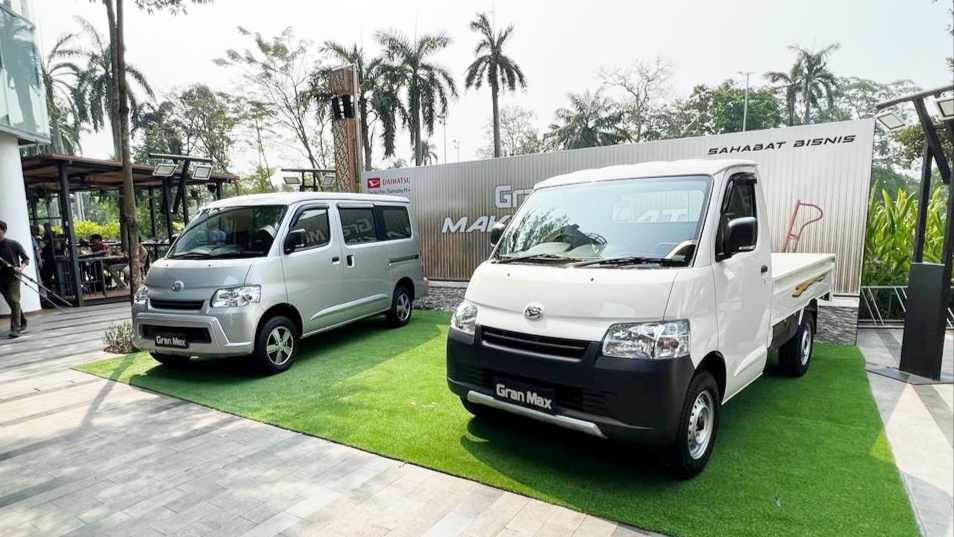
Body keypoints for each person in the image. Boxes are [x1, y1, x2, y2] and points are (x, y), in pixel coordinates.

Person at [0, 220, 31, 338]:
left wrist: (20, 268)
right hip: (0, 278)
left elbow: (26, 259)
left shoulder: (13, 244)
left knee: (14, 300)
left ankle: (15, 328)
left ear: (3, 231)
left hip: (14, 277)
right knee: (12, 302)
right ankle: (23, 321)